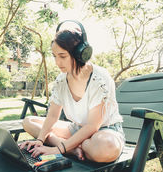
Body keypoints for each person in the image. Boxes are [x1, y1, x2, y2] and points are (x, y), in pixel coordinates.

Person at [19, 22, 125, 163]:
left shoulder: (100, 78)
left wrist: (57, 149)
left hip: (104, 132)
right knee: (29, 121)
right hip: (76, 129)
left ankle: (70, 145)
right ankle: (73, 149)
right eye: (55, 56)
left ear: (80, 53)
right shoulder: (61, 80)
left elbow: (93, 126)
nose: (57, 62)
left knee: (106, 148)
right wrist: (40, 140)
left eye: (62, 56)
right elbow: (52, 116)